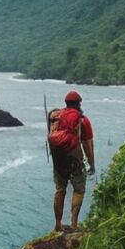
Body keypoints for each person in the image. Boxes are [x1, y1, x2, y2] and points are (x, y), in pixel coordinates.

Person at [49, 90, 95, 233]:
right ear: (79, 104)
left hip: (59, 159)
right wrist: (92, 164)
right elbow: (88, 144)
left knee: (60, 190)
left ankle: (57, 224)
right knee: (79, 189)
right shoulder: (82, 120)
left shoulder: (56, 117)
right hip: (75, 159)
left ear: (66, 103)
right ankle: (74, 224)